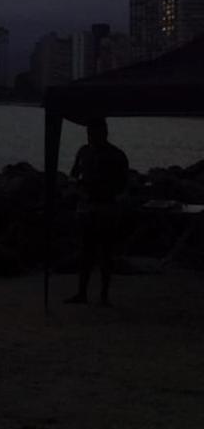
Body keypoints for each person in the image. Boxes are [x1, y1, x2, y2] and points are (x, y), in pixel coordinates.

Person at [65, 118, 129, 306]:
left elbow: (123, 185)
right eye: (90, 133)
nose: (92, 137)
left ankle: (102, 295)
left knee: (104, 252)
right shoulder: (85, 152)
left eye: (95, 133)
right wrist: (79, 191)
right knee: (87, 251)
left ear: (104, 133)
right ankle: (84, 293)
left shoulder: (115, 155)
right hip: (90, 206)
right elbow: (73, 175)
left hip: (105, 207)